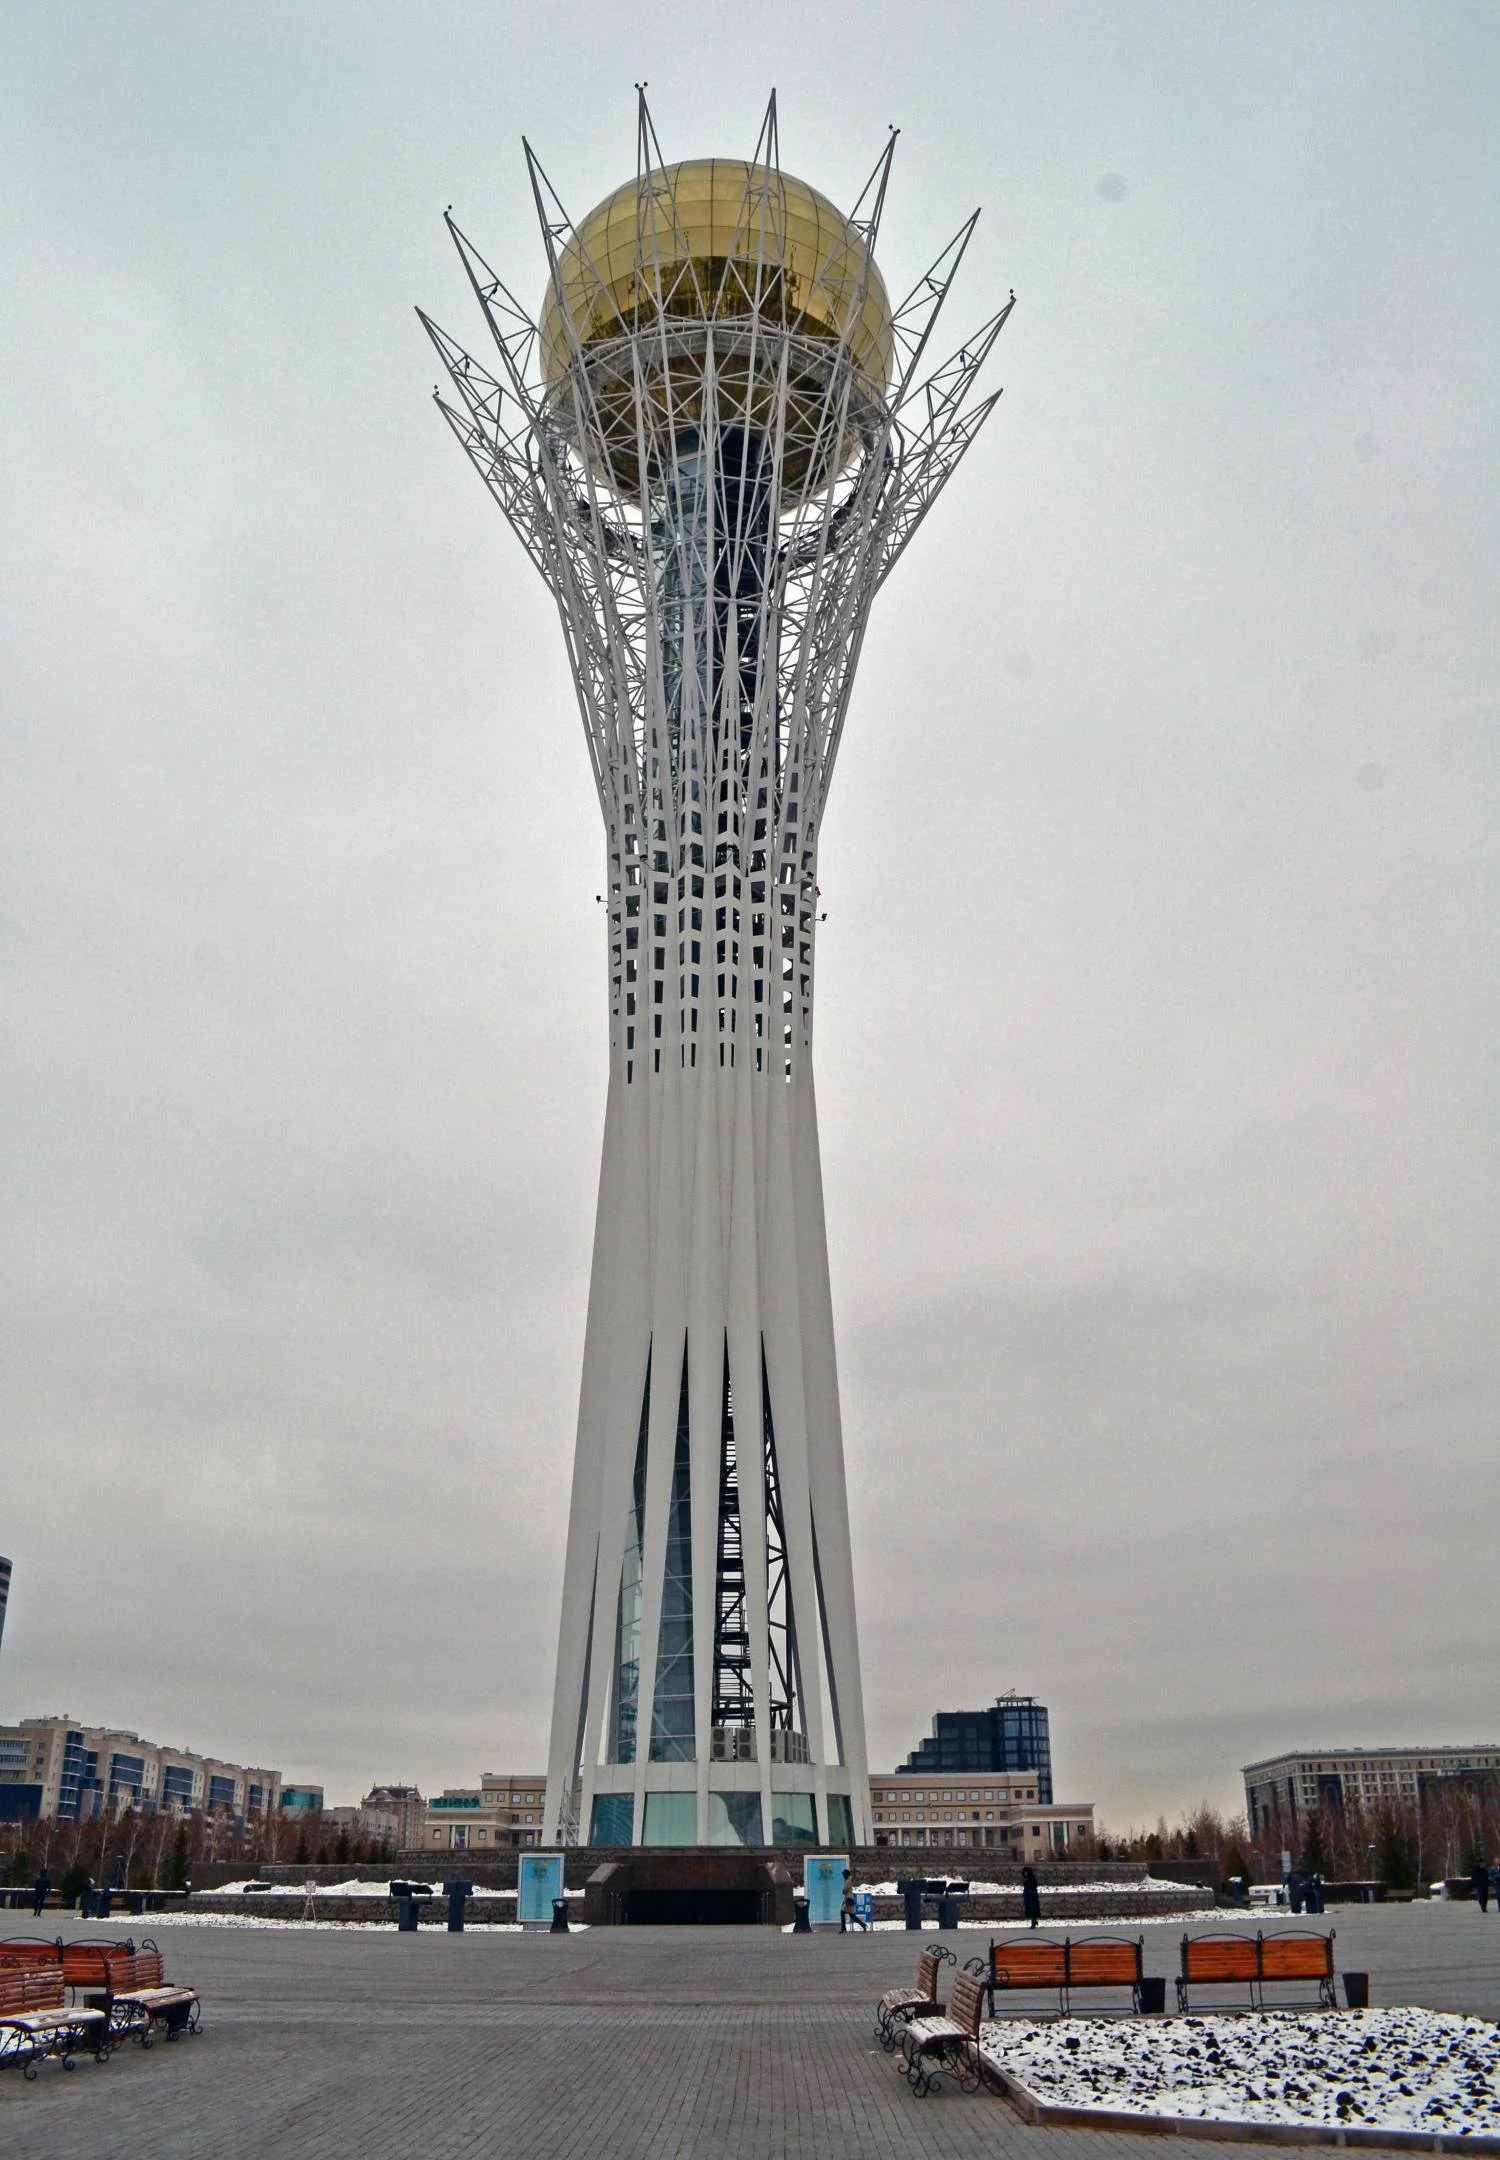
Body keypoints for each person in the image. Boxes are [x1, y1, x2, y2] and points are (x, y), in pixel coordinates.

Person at [1021, 1863, 1041, 1929]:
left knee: (1032, 1910)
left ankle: (1033, 1923)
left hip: (1031, 1896)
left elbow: (1032, 1886)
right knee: (1031, 1910)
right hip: (1030, 1896)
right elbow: (1023, 1873)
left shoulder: (1031, 1878)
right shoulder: (1029, 1878)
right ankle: (1034, 1921)